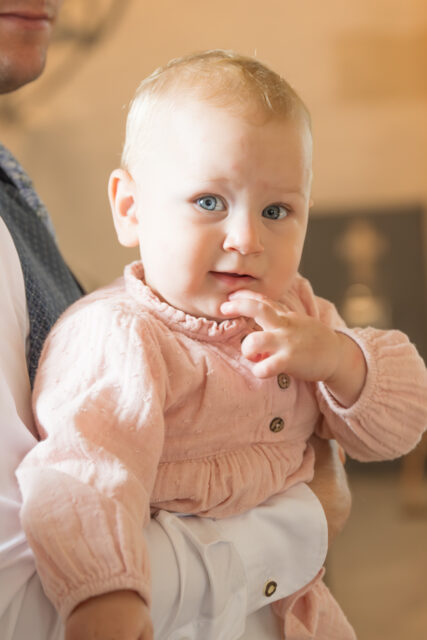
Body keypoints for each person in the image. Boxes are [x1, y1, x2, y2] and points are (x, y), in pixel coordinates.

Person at [15, 49, 427, 640]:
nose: (246, 238)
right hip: (178, 616)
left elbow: (400, 427)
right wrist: (106, 596)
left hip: (294, 613)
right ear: (131, 209)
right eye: (210, 202)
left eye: (277, 210)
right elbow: (84, 475)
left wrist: (340, 360)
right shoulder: (118, 336)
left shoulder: (298, 314)